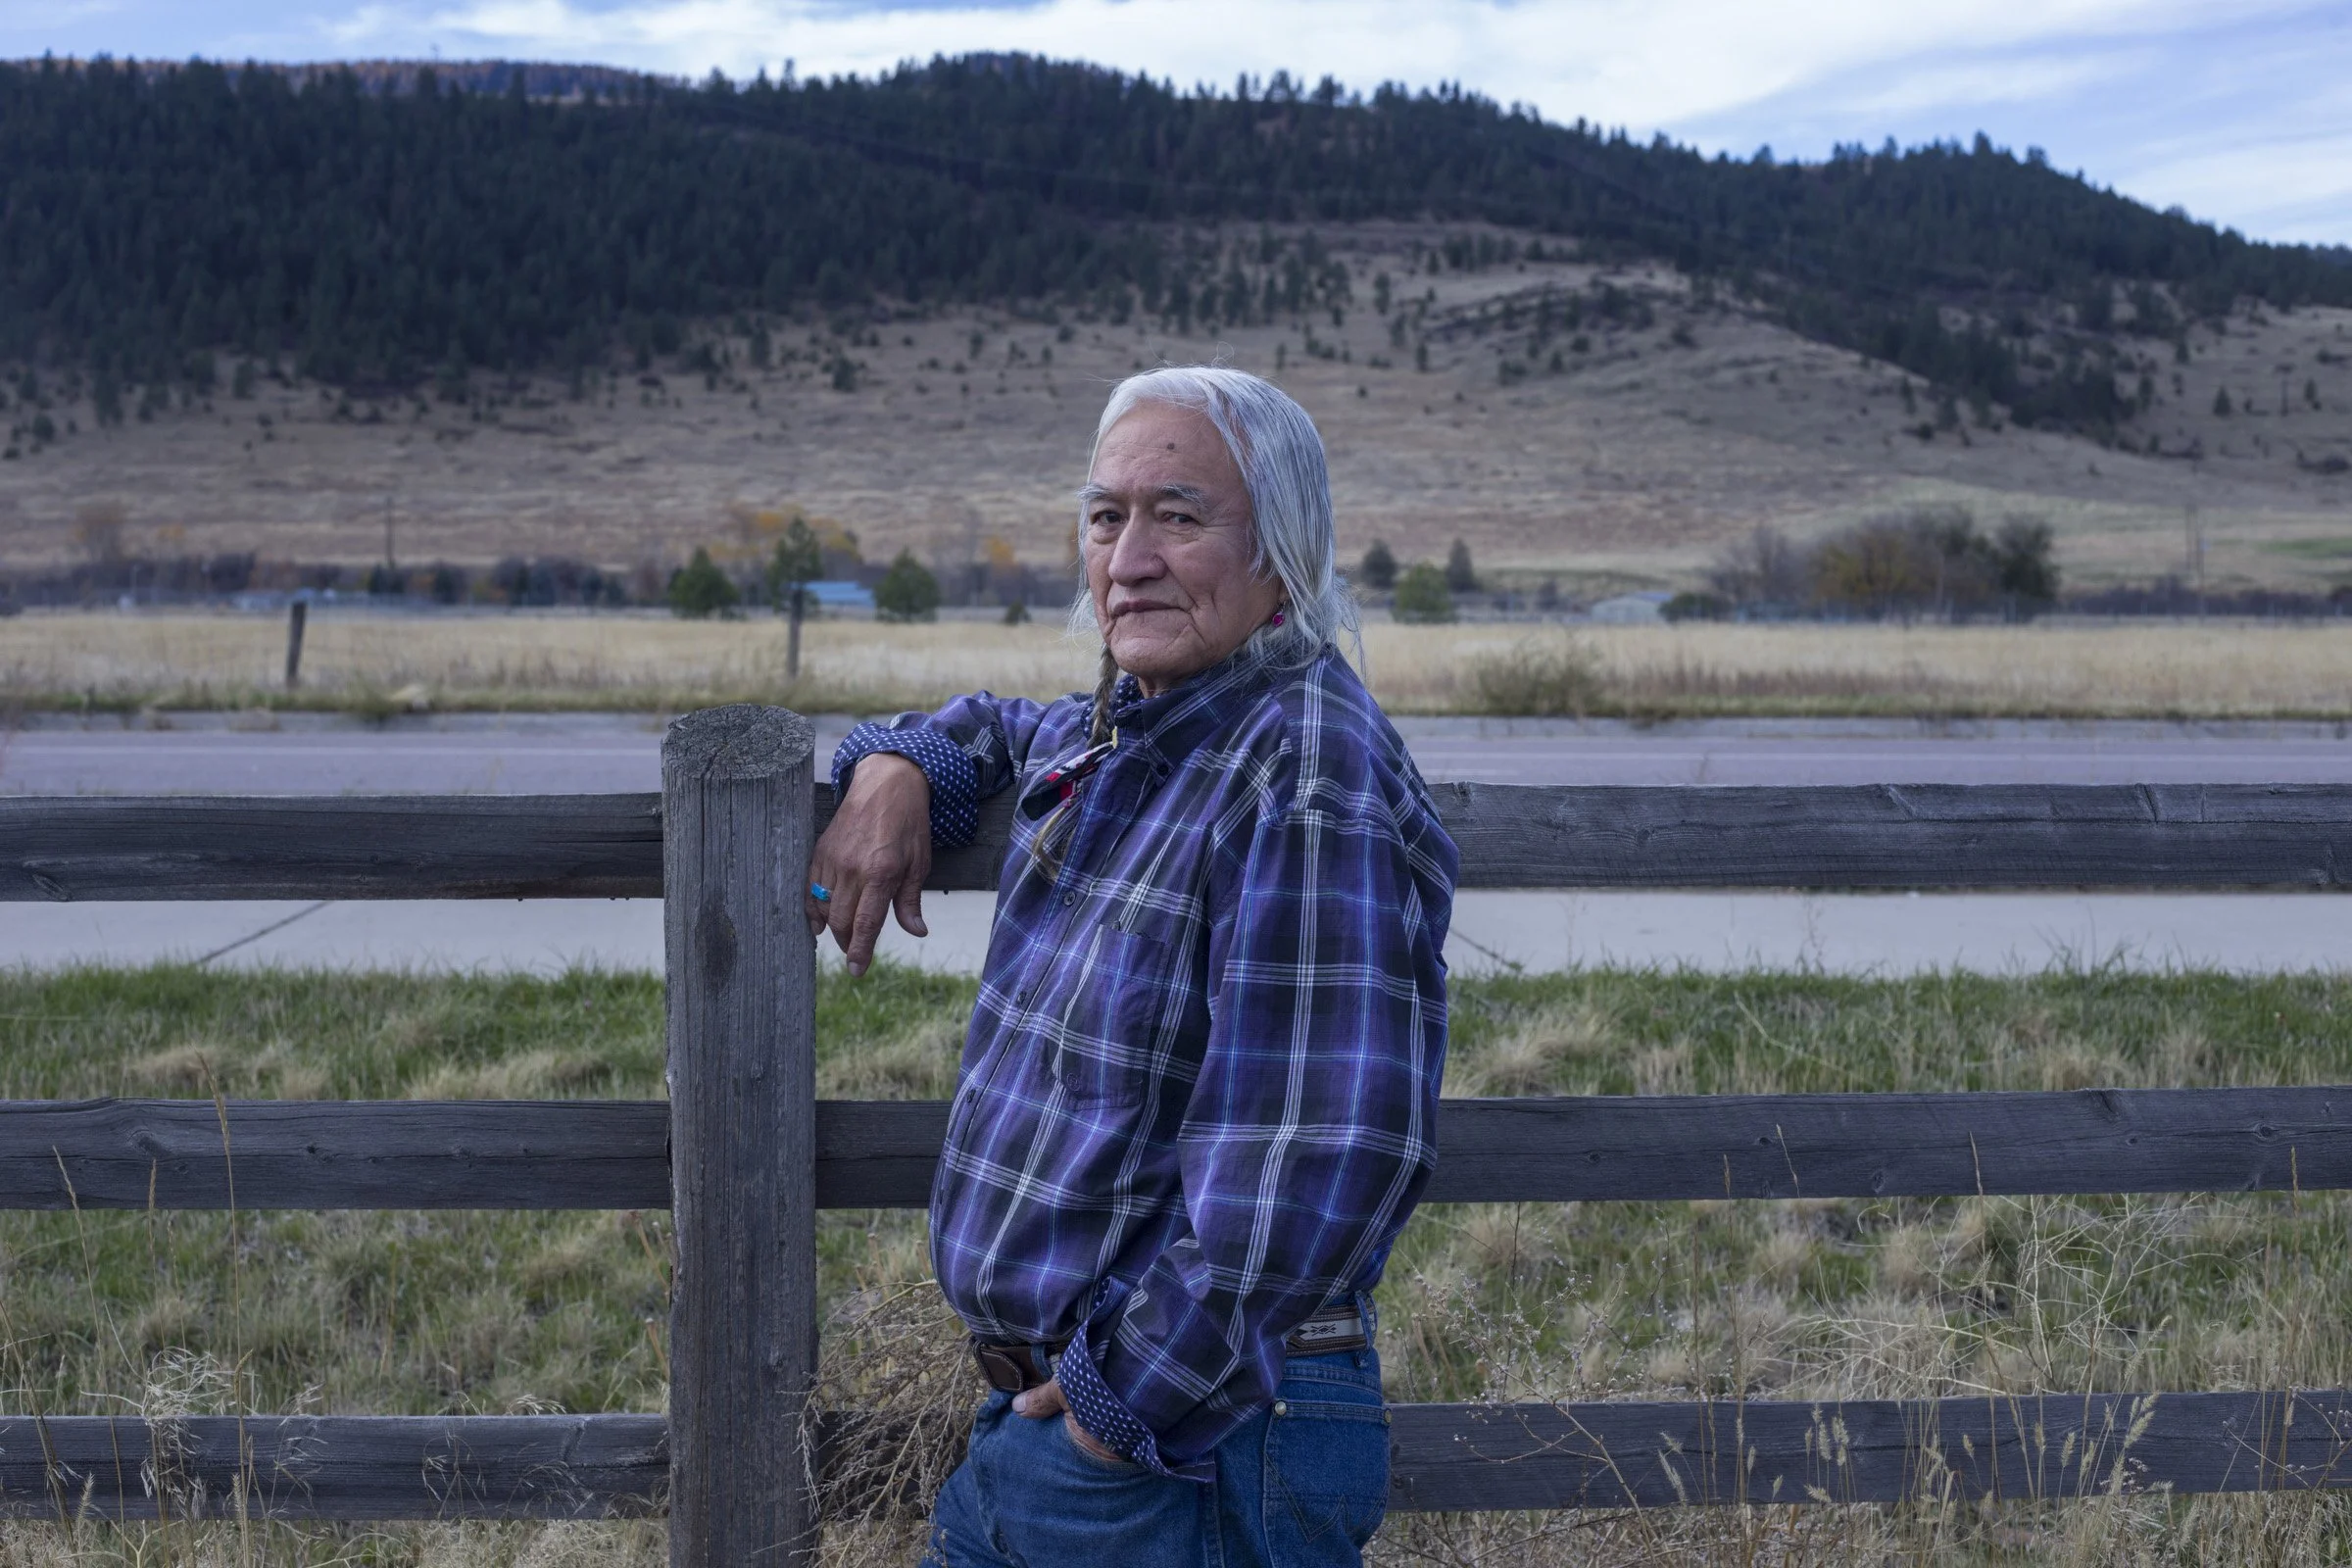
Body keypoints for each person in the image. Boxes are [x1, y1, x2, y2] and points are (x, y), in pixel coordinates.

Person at [807, 367, 1456, 1567]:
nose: (1131, 556)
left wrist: (1121, 1411)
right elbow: (999, 727)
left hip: (1183, 1452)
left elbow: (1316, 1158)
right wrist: (895, 765)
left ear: (1283, 552)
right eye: (1108, 517)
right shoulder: (1141, 720)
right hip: (1082, 1435)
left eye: (1181, 514)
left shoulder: (1300, 765)